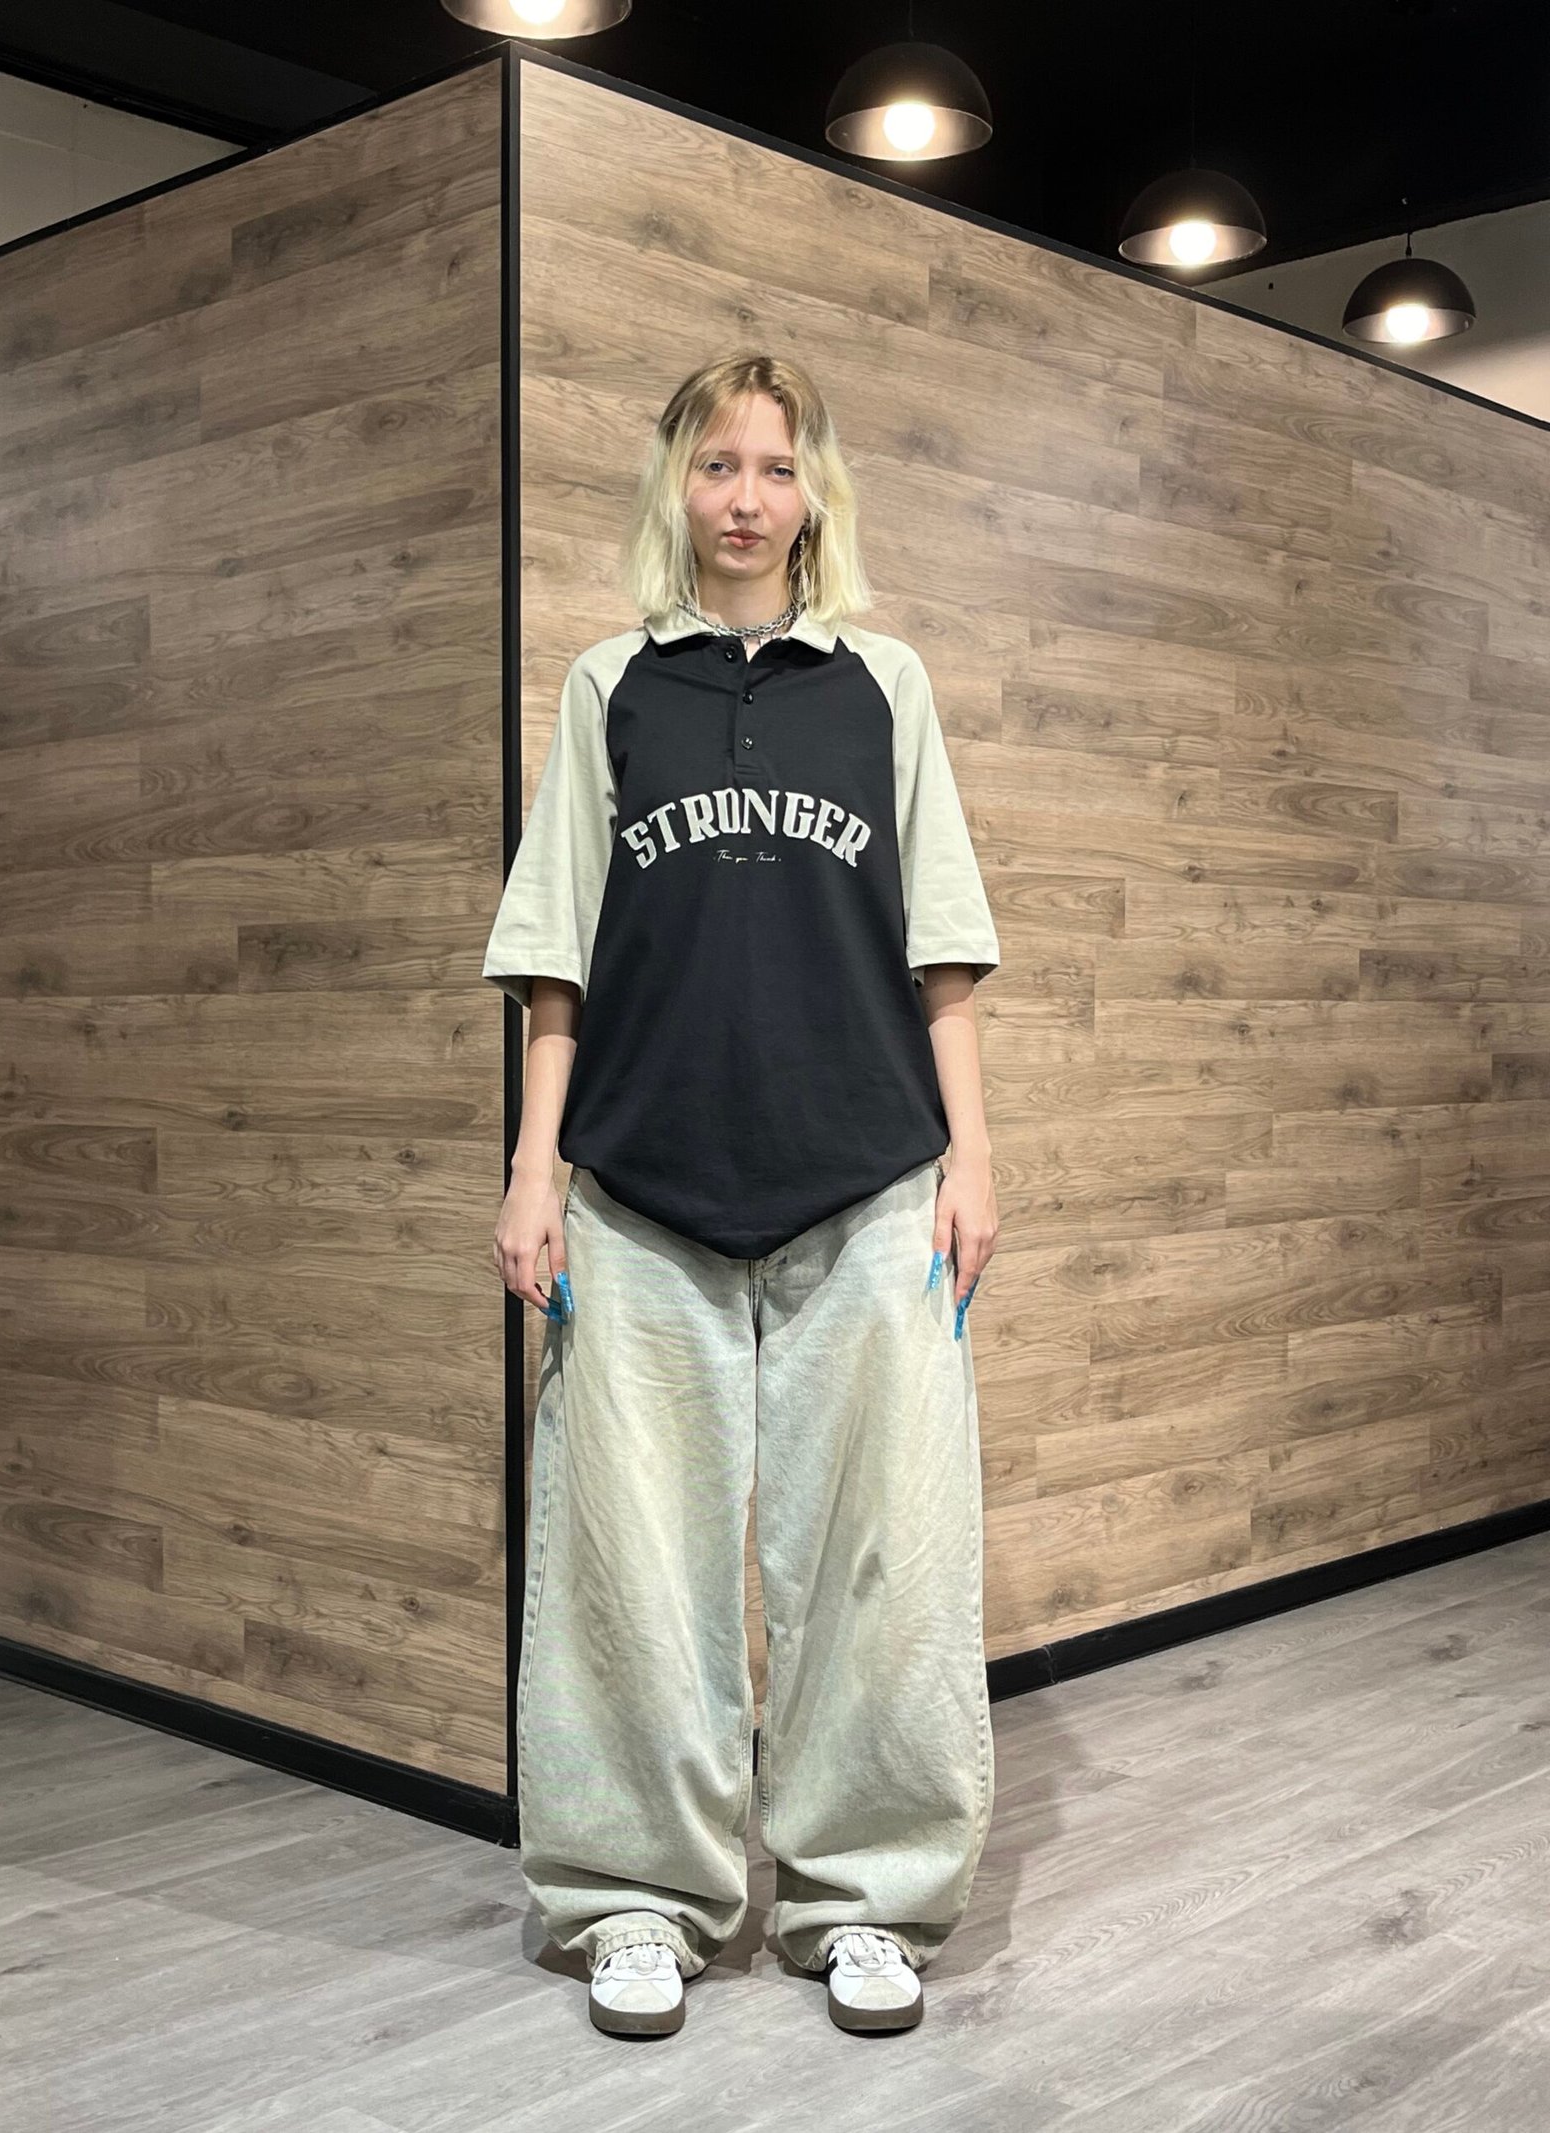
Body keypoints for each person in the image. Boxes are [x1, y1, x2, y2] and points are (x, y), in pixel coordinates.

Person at [482, 352, 1001, 2039]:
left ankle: (864, 1901)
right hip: (642, 1193)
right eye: (718, 464)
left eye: (778, 467)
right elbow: (557, 956)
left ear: (814, 492)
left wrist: (974, 1157)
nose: (747, 497)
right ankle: (635, 1898)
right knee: (631, 1569)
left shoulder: (884, 686)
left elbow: (941, 948)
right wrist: (534, 1171)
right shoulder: (611, 685)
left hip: (871, 1187)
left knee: (882, 1563)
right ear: (676, 485)